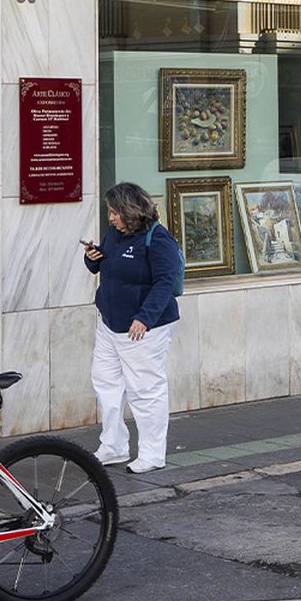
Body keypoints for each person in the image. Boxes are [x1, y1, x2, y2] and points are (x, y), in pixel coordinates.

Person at [82, 182, 180, 473]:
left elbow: (165, 283)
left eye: (115, 212)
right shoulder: (115, 234)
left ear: (130, 210)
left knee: (145, 390)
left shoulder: (158, 240)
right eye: (110, 212)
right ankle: (114, 446)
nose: (110, 218)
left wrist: (145, 318)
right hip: (110, 323)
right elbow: (107, 268)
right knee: (106, 383)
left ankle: (152, 454)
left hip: (143, 328)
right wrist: (91, 259)